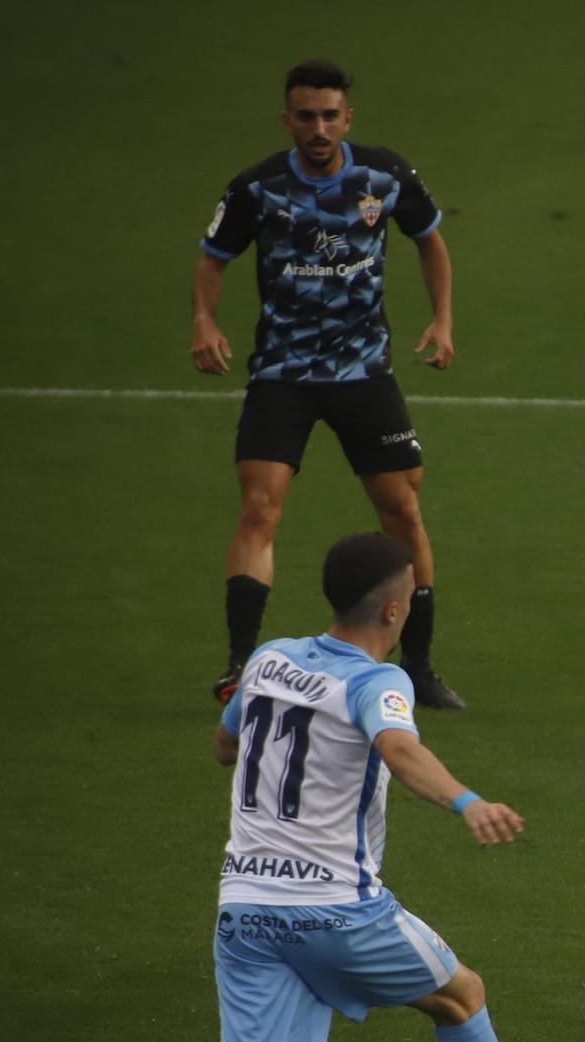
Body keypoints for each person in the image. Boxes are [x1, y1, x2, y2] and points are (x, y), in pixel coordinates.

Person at [193, 532, 585, 1042]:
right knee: (460, 995)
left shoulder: (268, 658)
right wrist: (469, 801)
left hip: (244, 906)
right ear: (393, 612)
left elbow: (225, 743)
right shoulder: (378, 681)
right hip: (337, 910)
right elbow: (401, 748)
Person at [191, 59, 464, 712]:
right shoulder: (257, 188)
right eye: (306, 116)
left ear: (348, 118)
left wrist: (443, 319)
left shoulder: (385, 176)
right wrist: (204, 321)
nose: (318, 128)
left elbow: (430, 241)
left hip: (364, 375)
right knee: (259, 509)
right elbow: (213, 259)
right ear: (286, 119)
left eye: (329, 115)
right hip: (283, 375)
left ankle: (420, 667)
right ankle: (239, 663)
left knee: (403, 513)